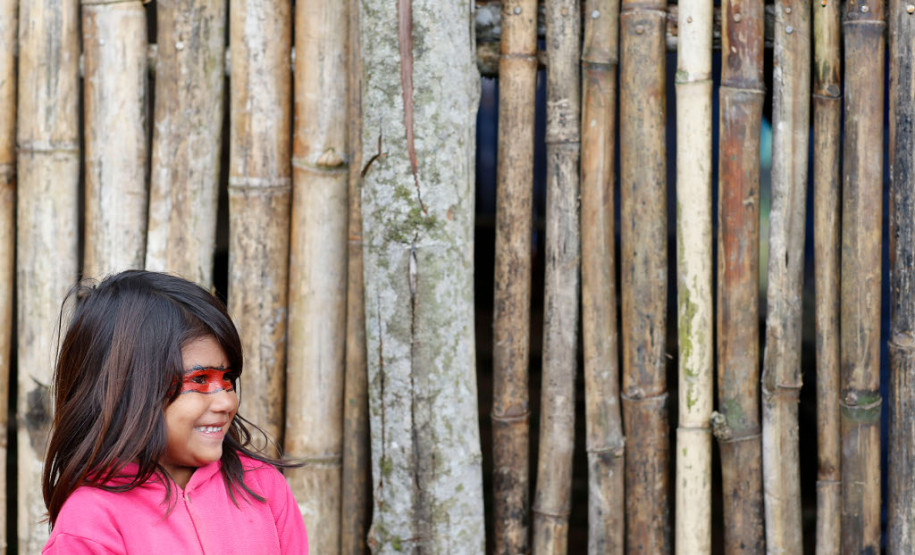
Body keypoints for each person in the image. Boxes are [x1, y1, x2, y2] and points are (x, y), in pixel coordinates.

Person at [41, 270, 308, 554]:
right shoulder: (90, 522)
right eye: (200, 380)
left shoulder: (263, 487)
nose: (227, 402)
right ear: (129, 390)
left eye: (227, 379)